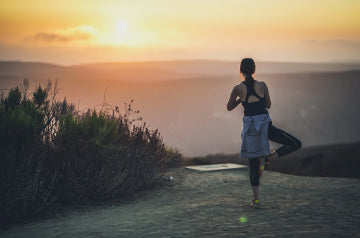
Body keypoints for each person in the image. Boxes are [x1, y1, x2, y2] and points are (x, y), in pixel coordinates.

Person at [227, 58, 301, 208]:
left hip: (250, 130)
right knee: (295, 143)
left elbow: (229, 107)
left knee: (253, 164)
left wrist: (241, 100)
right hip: (266, 127)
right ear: (254, 70)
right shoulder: (262, 85)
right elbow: (268, 104)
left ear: (240, 71)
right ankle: (269, 158)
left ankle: (256, 200)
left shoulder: (237, 88)